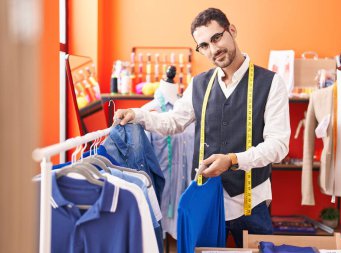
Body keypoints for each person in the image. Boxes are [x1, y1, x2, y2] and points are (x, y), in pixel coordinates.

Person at [114, 7, 290, 247]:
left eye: (217, 38)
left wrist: (232, 160)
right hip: (205, 200)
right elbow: (174, 121)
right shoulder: (199, 84)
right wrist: (138, 115)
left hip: (252, 202)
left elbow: (278, 145)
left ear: (232, 31)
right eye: (204, 45)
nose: (214, 49)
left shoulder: (271, 83)